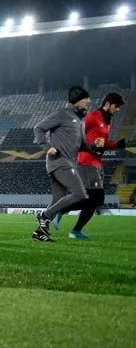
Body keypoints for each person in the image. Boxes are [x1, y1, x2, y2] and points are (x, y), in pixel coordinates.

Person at [32, 86, 105, 242]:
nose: (89, 101)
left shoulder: (80, 120)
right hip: (59, 161)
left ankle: (40, 232)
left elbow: (82, 145)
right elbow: (38, 128)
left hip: (68, 164)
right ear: (77, 100)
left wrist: (94, 146)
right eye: (86, 98)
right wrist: (47, 147)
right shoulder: (62, 114)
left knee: (57, 200)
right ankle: (44, 215)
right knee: (80, 194)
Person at [52, 92, 127, 238]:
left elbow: (102, 144)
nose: (118, 109)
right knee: (96, 199)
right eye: (116, 106)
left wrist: (116, 145)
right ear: (107, 104)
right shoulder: (93, 117)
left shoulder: (107, 121)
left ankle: (75, 230)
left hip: (97, 163)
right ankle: (61, 211)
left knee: (92, 201)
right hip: (86, 162)